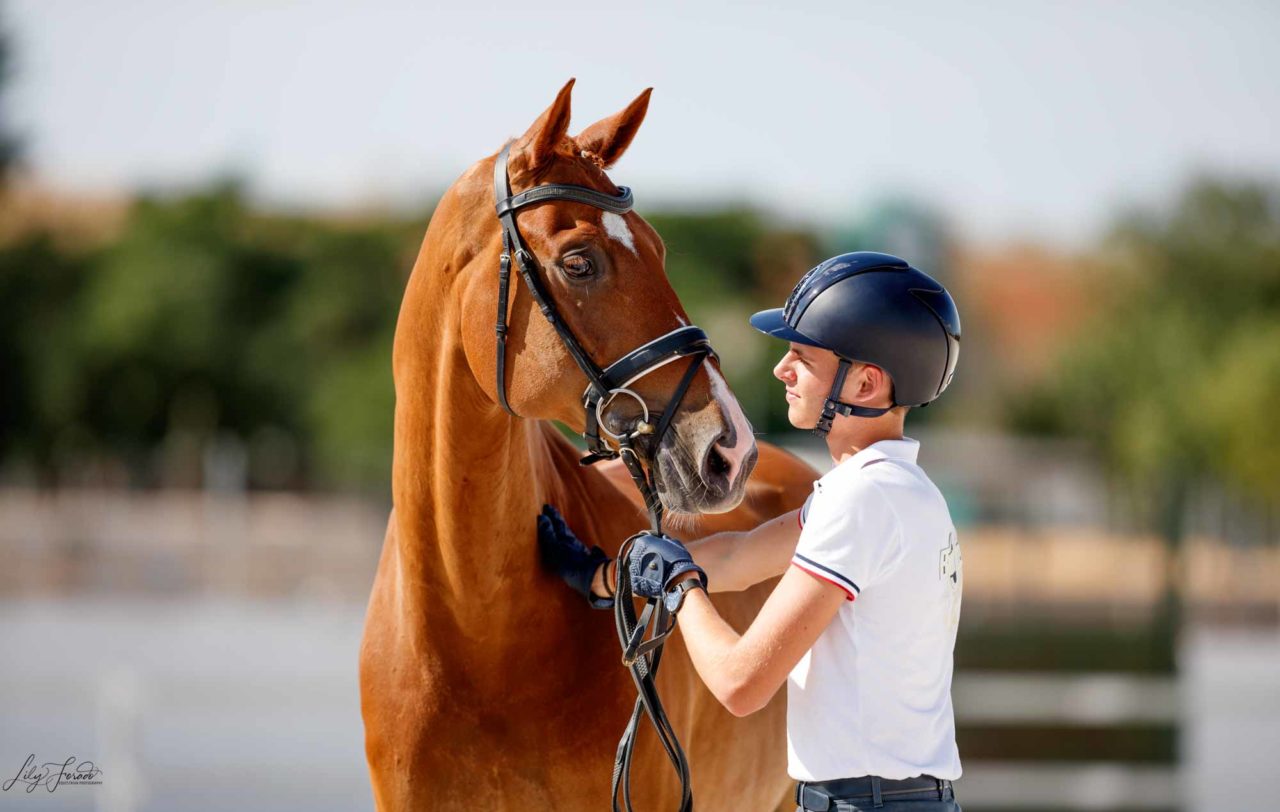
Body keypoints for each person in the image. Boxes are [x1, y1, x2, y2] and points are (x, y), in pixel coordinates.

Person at [538, 251, 964, 811]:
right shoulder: (904, 493)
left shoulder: (861, 502)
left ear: (865, 383)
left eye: (802, 357)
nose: (781, 370)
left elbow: (741, 684)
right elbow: (739, 557)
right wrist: (599, 575)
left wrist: (678, 587)